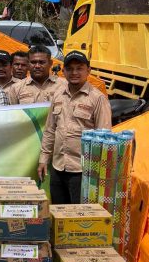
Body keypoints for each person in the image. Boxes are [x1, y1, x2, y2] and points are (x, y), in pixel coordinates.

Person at [38, 51, 112, 204]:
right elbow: (50, 130)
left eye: (79, 68)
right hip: (58, 167)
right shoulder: (58, 95)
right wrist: (44, 159)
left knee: (78, 219)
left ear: (88, 71)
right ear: (63, 71)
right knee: (58, 214)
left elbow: (104, 137)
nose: (74, 73)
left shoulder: (97, 99)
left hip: (82, 171)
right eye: (70, 69)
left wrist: (98, 174)